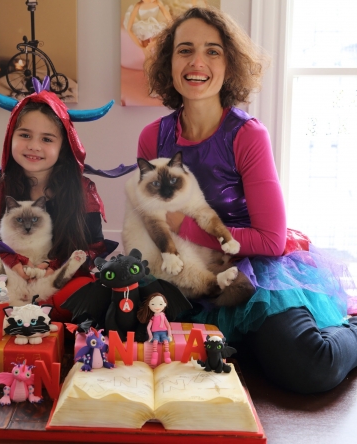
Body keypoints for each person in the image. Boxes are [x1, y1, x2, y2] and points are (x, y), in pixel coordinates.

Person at [138, 6, 357, 394]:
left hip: (256, 272)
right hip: (189, 276)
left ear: (230, 63)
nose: (197, 62)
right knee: (129, 334)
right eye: (184, 50)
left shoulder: (247, 135)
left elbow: (271, 241)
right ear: (169, 63)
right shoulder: (152, 138)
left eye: (213, 51)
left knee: (310, 366)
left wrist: (189, 227)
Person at [0, 88, 113, 344]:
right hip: (10, 281)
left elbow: (93, 249)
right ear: (11, 137)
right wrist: (15, 264)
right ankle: (37, 323)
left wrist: (49, 267)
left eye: (47, 139)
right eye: (25, 135)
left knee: (89, 293)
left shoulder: (83, 190)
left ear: (64, 145)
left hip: (57, 282)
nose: (34, 146)